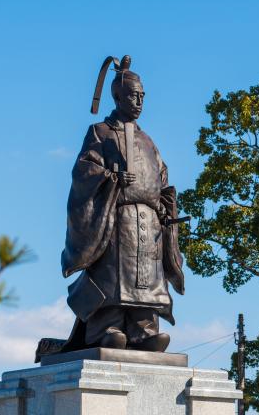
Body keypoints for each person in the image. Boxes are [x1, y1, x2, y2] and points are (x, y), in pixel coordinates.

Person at [59, 55, 185, 353]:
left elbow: (162, 177)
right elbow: (83, 170)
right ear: (117, 96)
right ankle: (108, 328)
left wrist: (165, 207)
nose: (139, 101)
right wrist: (111, 177)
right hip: (116, 217)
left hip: (149, 223)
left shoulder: (148, 140)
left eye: (142, 96)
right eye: (133, 95)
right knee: (113, 279)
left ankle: (144, 331)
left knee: (148, 282)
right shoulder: (99, 132)